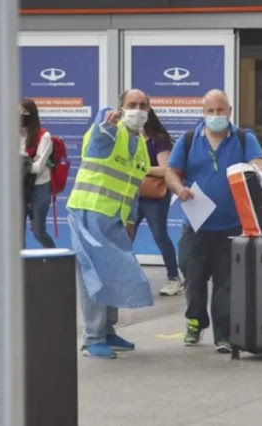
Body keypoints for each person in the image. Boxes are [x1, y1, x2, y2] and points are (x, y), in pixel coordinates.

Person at [165, 89, 262, 353]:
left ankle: (224, 334)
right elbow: (171, 172)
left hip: (232, 226)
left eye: (220, 111)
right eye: (210, 111)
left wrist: (256, 171)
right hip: (196, 226)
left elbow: (259, 165)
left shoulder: (244, 138)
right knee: (193, 278)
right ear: (203, 113)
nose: (215, 116)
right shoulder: (188, 140)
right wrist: (178, 189)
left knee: (226, 285)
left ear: (229, 112)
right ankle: (195, 321)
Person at [67, 89, 153, 359]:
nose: (137, 110)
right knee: (93, 276)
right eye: (131, 105)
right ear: (120, 108)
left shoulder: (139, 144)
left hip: (115, 218)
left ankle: (108, 330)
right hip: (89, 212)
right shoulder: (108, 132)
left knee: (114, 273)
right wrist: (106, 126)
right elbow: (97, 144)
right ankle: (93, 339)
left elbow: (134, 185)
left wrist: (129, 219)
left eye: (142, 105)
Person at [134, 108, 184, 296]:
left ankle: (174, 278)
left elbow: (166, 169)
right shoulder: (131, 139)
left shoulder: (159, 139)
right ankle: (126, 277)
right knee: (124, 235)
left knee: (159, 235)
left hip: (154, 196)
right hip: (134, 194)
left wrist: (141, 169)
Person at [20, 98, 56, 248]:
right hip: (19, 188)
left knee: (38, 231)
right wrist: (28, 160)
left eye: (23, 112)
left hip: (40, 188)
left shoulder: (44, 136)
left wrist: (22, 161)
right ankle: (19, 267)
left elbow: (37, 168)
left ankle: (54, 259)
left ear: (32, 114)